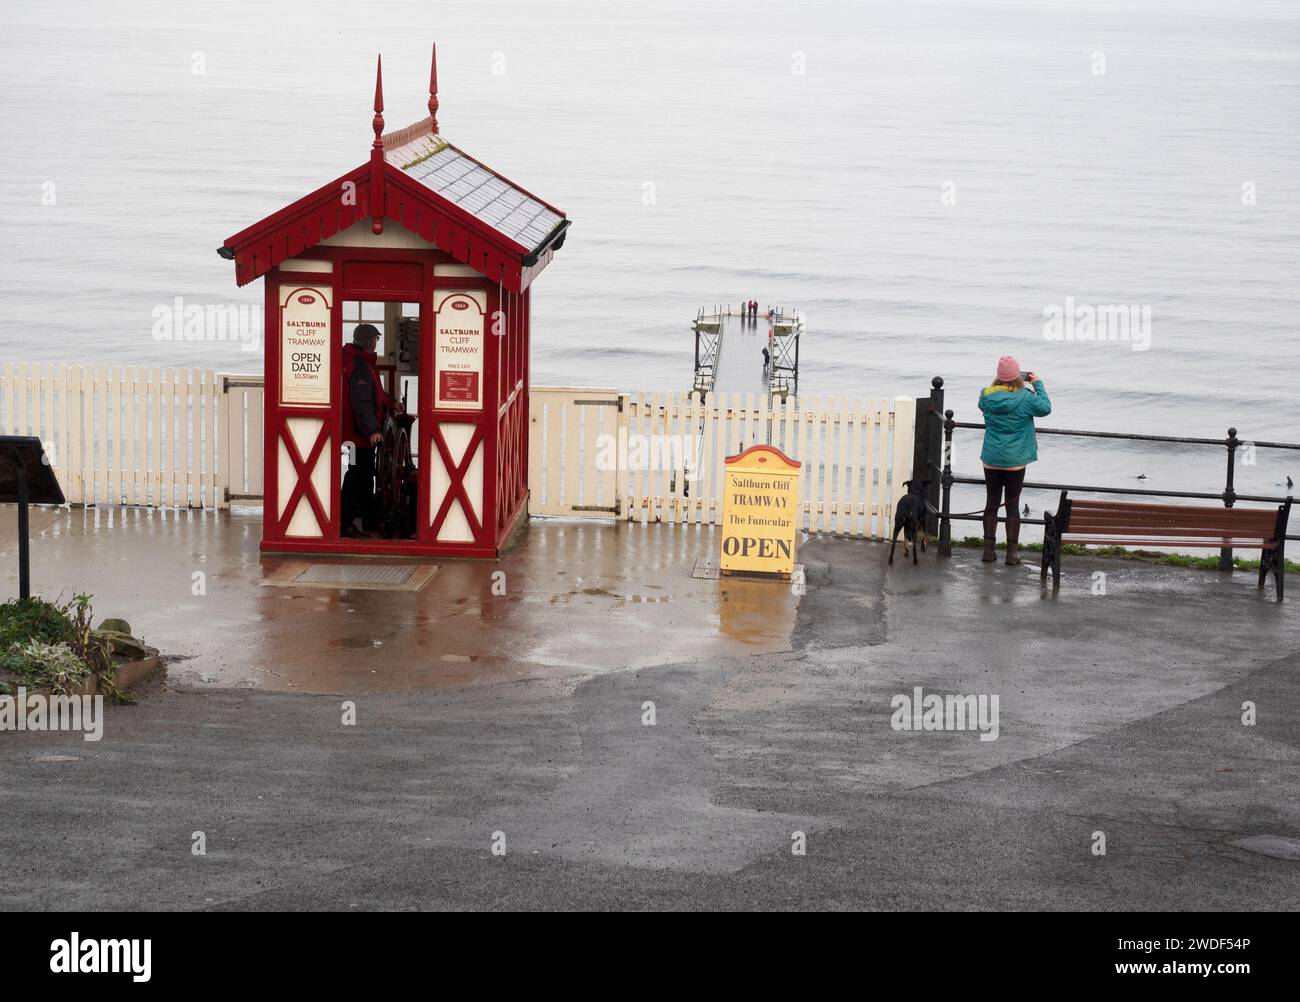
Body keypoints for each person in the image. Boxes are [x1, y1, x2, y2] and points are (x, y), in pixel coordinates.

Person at [977, 355, 1050, 565]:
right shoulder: (1025, 398)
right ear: (1018, 376)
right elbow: (1045, 408)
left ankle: (988, 551)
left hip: (991, 457)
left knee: (991, 502)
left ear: (998, 376)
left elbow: (982, 405)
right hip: (1016, 460)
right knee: (1012, 504)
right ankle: (1011, 553)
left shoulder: (986, 396)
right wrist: (1037, 383)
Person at [341, 323, 393, 537]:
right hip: (359, 435)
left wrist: (391, 403)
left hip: (353, 432)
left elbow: (375, 394)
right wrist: (373, 430)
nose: (376, 343)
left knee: (361, 474)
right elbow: (362, 402)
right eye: (375, 340)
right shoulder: (361, 365)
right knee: (356, 475)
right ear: (369, 342)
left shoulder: (355, 360)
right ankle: (344, 522)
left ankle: (364, 518)